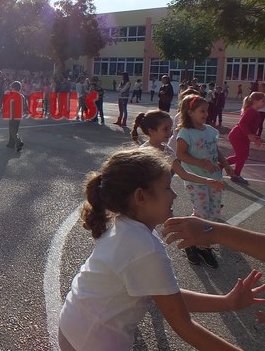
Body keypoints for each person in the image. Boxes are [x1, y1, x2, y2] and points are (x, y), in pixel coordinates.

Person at [58, 149, 265, 351]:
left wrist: (226, 302)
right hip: (92, 341)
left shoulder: (126, 227)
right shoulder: (145, 248)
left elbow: (166, 294)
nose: (175, 195)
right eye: (167, 188)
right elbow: (185, 327)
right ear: (140, 197)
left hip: (74, 327)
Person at [176, 94, 236, 267]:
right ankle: (198, 245)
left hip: (215, 179)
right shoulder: (186, 132)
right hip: (196, 180)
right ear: (190, 112)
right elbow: (180, 154)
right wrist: (202, 163)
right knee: (202, 212)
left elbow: (215, 150)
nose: (206, 114)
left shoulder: (210, 131)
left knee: (213, 213)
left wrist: (226, 165)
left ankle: (197, 242)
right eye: (202, 111)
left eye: (207, 111)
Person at [131, 110, 225, 190]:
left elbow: (183, 174)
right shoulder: (143, 152)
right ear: (151, 131)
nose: (170, 132)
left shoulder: (167, 151)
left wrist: (207, 181)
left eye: (170, 128)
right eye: (165, 129)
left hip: (159, 194)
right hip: (146, 194)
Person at [226, 92, 265, 185]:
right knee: (241, 155)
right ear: (255, 101)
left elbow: (252, 128)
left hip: (243, 137)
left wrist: (256, 138)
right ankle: (218, 166)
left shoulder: (255, 112)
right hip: (237, 136)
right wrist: (249, 135)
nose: (264, 103)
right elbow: (242, 123)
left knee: (243, 155)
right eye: (263, 101)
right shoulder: (251, 111)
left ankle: (236, 174)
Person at [7, 81, 25, 152]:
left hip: (13, 115)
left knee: (12, 129)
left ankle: (18, 142)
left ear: (13, 88)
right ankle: (11, 143)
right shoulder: (22, 96)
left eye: (11, 88)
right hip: (19, 115)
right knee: (15, 129)